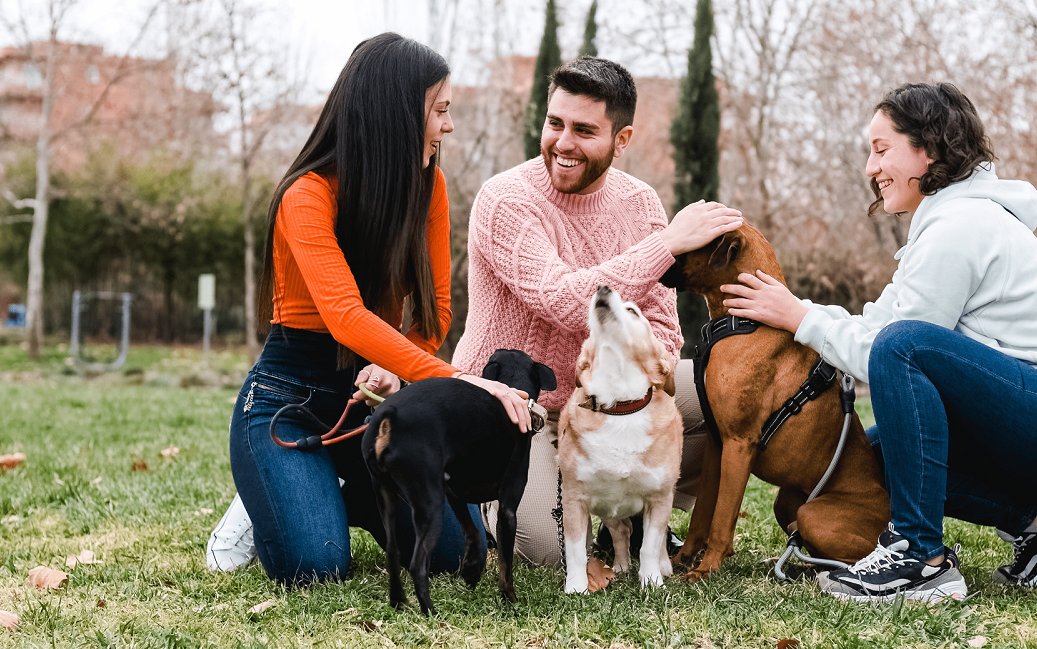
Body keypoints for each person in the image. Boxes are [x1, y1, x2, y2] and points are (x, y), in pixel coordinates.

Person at [720, 82, 1037, 603]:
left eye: (881, 150)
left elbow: (891, 352)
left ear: (930, 149)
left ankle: (921, 560)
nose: (870, 168)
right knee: (870, 460)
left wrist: (801, 317)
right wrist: (799, 313)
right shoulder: (945, 222)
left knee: (904, 347)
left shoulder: (959, 226)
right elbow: (880, 327)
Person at [206, 33, 532, 584]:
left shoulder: (429, 186)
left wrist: (399, 366)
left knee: (452, 557)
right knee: (316, 566)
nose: (447, 126)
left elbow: (437, 313)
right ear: (395, 114)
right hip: (291, 398)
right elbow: (344, 316)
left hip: (374, 404)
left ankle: (337, 490)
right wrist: (464, 382)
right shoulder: (305, 196)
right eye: (440, 111)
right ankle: (271, 493)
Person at [451, 56, 744, 567]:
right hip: (521, 410)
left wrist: (626, 398)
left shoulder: (639, 203)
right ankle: (510, 504)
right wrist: (668, 245)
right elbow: (564, 301)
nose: (563, 143)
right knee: (544, 550)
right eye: (554, 123)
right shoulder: (506, 200)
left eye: (584, 130)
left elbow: (663, 329)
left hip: (606, 401)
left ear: (622, 139)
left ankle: (641, 510)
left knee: (730, 395)